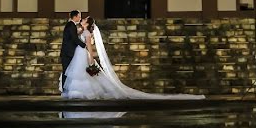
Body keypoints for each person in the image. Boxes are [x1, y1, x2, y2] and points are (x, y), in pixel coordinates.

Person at [61, 16, 206, 100]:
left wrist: (92, 62)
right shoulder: (82, 30)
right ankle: (79, 94)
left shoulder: (86, 32)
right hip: (79, 57)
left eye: (85, 19)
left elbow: (89, 49)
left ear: (88, 23)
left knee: (85, 77)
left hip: (83, 57)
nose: (83, 19)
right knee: (82, 77)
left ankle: (82, 94)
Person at [59, 10, 86, 92]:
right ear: (75, 16)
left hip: (68, 52)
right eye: (79, 16)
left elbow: (73, 37)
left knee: (68, 72)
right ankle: (65, 90)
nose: (80, 18)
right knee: (66, 71)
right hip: (67, 53)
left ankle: (67, 89)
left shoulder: (71, 25)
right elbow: (74, 39)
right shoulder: (71, 25)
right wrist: (84, 45)